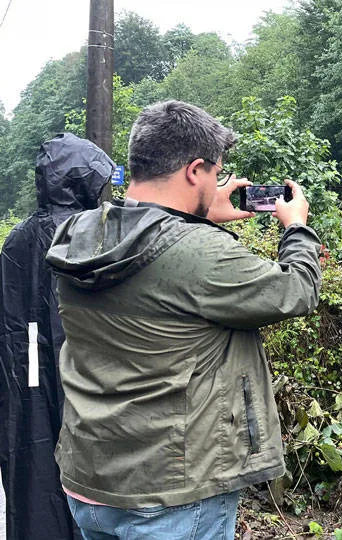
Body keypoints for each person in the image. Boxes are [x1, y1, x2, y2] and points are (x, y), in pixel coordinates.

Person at [45, 101, 323, 539]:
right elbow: (297, 291)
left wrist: (197, 215)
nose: (217, 185)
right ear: (195, 170)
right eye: (215, 174)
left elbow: (153, 249)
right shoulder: (199, 252)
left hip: (89, 480)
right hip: (170, 495)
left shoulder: (81, 232)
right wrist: (296, 228)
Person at [0, 133, 115, 540]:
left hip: (26, 377)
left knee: (33, 460)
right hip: (83, 376)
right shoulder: (94, 233)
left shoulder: (18, 239)